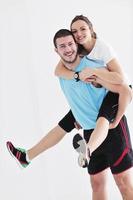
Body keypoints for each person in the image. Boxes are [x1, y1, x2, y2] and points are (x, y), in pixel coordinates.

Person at [7, 29, 133, 200]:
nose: (68, 49)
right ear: (56, 50)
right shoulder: (62, 73)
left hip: (113, 129)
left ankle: (86, 150)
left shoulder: (92, 67)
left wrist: (117, 117)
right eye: (62, 46)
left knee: (123, 183)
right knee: (97, 184)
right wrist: (80, 116)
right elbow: (70, 87)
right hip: (89, 130)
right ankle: (28, 156)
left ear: (76, 44)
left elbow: (125, 89)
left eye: (70, 44)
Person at [55, 15, 132, 164]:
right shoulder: (78, 47)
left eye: (83, 29)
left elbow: (121, 81)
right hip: (102, 89)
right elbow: (58, 71)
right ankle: (27, 156)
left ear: (91, 30)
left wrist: (116, 120)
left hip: (118, 90)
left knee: (103, 118)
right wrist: (78, 75)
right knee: (66, 122)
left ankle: (88, 149)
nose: (79, 34)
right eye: (74, 31)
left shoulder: (102, 47)